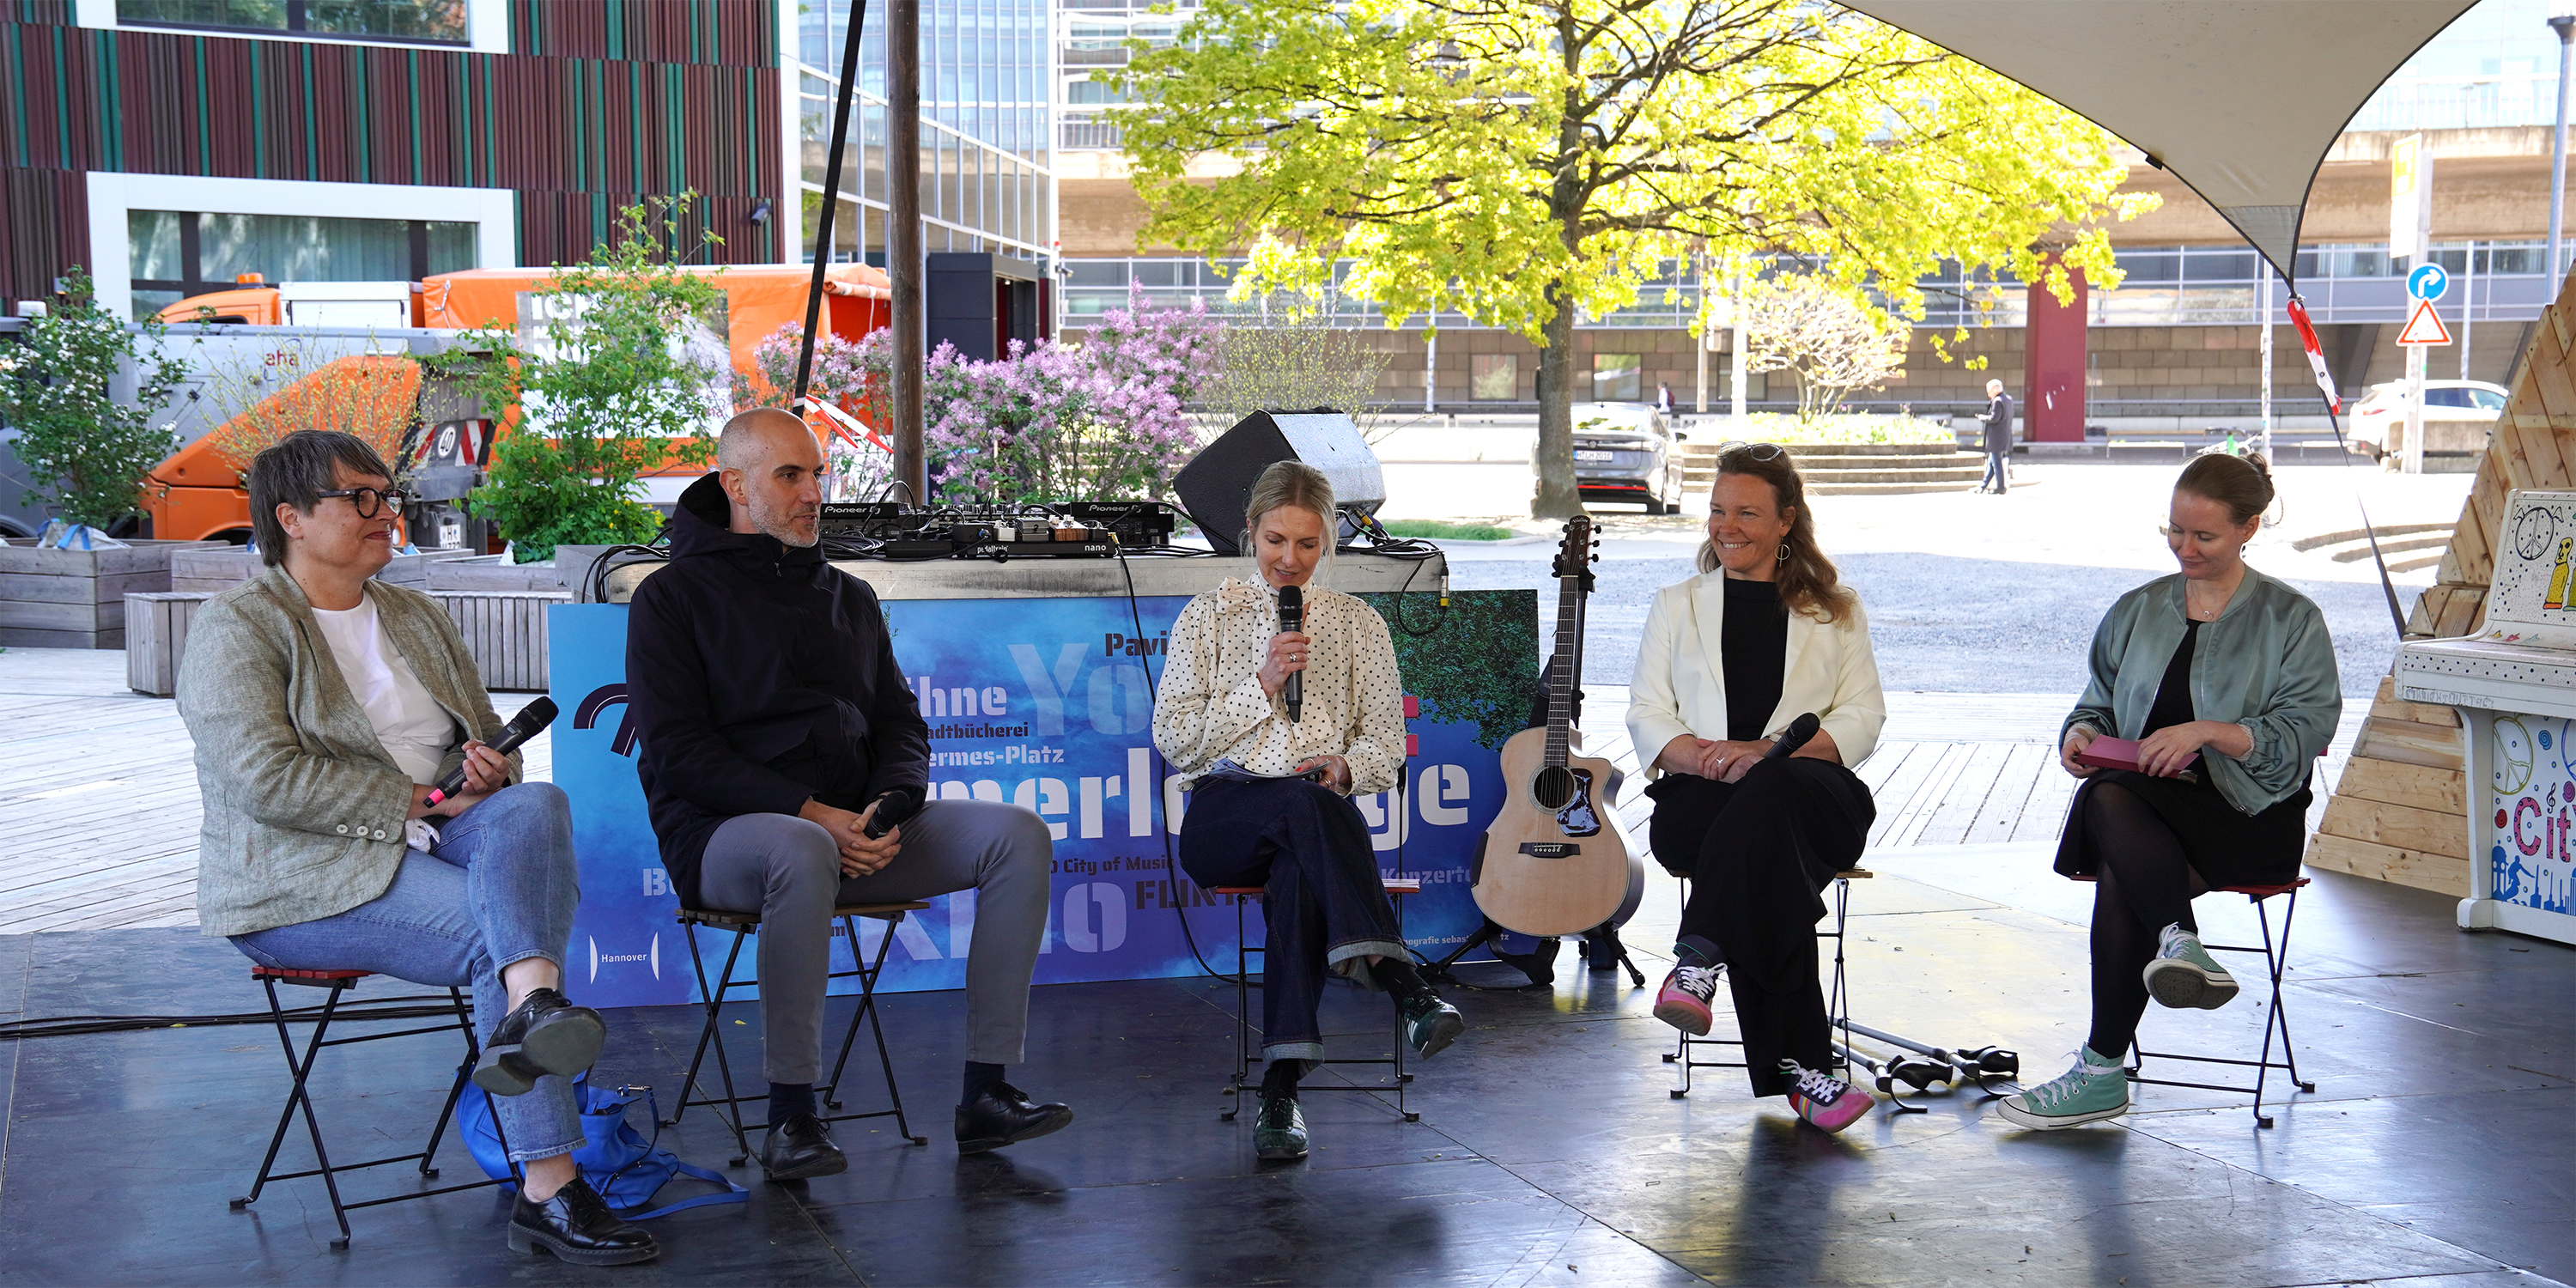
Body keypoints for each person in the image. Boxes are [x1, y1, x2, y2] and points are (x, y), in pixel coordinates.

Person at [179, 431, 654, 1267]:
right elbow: (264, 782)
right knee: (498, 944)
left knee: (535, 801)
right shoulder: (238, 628)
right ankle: (549, 1182)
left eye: (386, 495)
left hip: (434, 842)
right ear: (289, 516)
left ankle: (533, 1012)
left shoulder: (416, 615)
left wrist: (480, 767)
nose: (383, 512)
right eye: (358, 498)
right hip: (301, 880)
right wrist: (415, 800)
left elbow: (479, 759)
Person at [625, 408, 1071, 1179]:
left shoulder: (850, 596)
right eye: (789, 475)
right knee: (800, 849)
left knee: (1018, 835)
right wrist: (814, 816)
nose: (813, 493)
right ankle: (792, 1116)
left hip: (854, 834)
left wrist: (890, 804)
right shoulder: (669, 597)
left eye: (818, 474)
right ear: (734, 484)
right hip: (724, 836)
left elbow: (901, 723)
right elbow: (679, 754)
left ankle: (987, 1095)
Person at [2001, 452, 2337, 1130]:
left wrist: (2209, 731)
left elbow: (2307, 728)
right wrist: (2081, 735)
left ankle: (2105, 1065)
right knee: (2113, 805)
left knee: (2116, 827)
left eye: (2204, 536)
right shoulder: (2138, 609)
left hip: (2249, 811)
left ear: (2250, 527)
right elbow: (2095, 701)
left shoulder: (2291, 618)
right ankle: (2176, 947)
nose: (2185, 548)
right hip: (2147, 812)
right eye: (2174, 532)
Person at [1153, 459, 1467, 1163]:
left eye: (1306, 544)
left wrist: (1347, 766)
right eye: (1274, 541)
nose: (1288, 560)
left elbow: (1386, 746)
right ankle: (1403, 983)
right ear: (1249, 535)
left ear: (1328, 545)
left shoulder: (1360, 627)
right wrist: (1260, 683)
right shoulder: (1209, 617)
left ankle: (1281, 1091)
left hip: (1314, 819)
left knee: (1302, 857)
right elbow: (1175, 742)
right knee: (1302, 809)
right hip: (1224, 814)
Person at [1627, 442, 1887, 1133]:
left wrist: (1767, 755)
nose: (1726, 525)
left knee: (1774, 792)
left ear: (1786, 522)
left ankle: (1700, 954)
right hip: (1701, 798)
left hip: (1817, 796)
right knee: (1769, 858)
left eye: (1746, 512)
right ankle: (1804, 1074)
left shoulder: (1836, 609)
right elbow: (1648, 714)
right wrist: (1717, 760)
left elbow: (1864, 716)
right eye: (1716, 510)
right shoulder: (1676, 606)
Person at [1978, 379, 2014, 495]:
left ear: (1995, 389)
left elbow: (1994, 418)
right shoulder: (2008, 400)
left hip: (1996, 437)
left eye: (1989, 390)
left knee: (1996, 463)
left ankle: (2000, 487)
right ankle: (1982, 487)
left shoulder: (1997, 401)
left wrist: (1982, 418)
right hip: (2005, 436)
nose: (1988, 393)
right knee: (1992, 463)